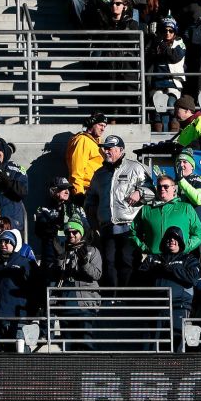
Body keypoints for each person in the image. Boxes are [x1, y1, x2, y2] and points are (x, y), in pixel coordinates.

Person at [85, 134, 152, 288]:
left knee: (127, 261)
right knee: (109, 262)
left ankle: (127, 298)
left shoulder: (135, 167)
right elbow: (90, 198)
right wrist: (93, 221)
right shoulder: (99, 173)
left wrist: (140, 192)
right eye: (104, 148)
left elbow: (152, 190)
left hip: (130, 227)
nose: (106, 151)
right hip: (107, 227)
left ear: (121, 150)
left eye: (110, 148)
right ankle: (112, 299)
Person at [134, 226, 200, 350]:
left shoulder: (188, 259)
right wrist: (155, 270)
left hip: (178, 307)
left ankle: (176, 369)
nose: (172, 241)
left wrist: (171, 269)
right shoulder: (154, 258)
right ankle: (149, 369)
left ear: (181, 241)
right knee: (151, 344)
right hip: (155, 307)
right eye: (169, 238)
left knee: (177, 343)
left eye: (175, 238)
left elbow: (193, 278)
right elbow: (139, 278)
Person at [48, 220, 104, 350]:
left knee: (86, 344)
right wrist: (60, 258)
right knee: (68, 346)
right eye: (68, 232)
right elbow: (53, 275)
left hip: (85, 306)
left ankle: (87, 369)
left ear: (81, 233)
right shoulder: (63, 251)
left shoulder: (92, 251)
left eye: (75, 232)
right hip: (65, 305)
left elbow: (96, 275)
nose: (71, 235)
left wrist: (84, 263)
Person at [133, 174, 201, 258]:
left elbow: (198, 234)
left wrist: (185, 247)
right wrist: (144, 248)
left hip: (180, 259)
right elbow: (133, 232)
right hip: (155, 259)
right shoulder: (146, 210)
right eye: (159, 187)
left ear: (174, 188)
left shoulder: (186, 208)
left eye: (166, 186)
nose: (162, 189)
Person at [65, 112, 108, 201]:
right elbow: (76, 170)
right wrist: (78, 194)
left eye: (104, 126)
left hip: (96, 190)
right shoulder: (82, 140)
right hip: (85, 192)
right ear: (91, 124)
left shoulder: (97, 142)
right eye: (100, 125)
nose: (103, 129)